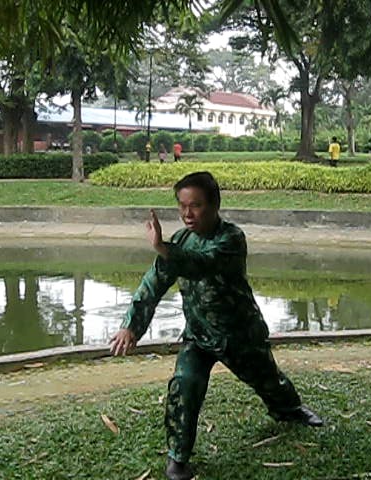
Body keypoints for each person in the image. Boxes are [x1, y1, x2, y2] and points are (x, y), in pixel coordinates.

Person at [109, 172, 323, 480]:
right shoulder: (180, 240)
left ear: (214, 205)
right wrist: (130, 326)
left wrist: (163, 249)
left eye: (195, 205)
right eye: (182, 206)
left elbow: (201, 263)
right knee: (185, 384)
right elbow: (152, 284)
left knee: (269, 381)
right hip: (198, 336)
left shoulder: (231, 239)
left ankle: (289, 410)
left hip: (239, 335)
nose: (187, 214)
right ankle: (178, 457)